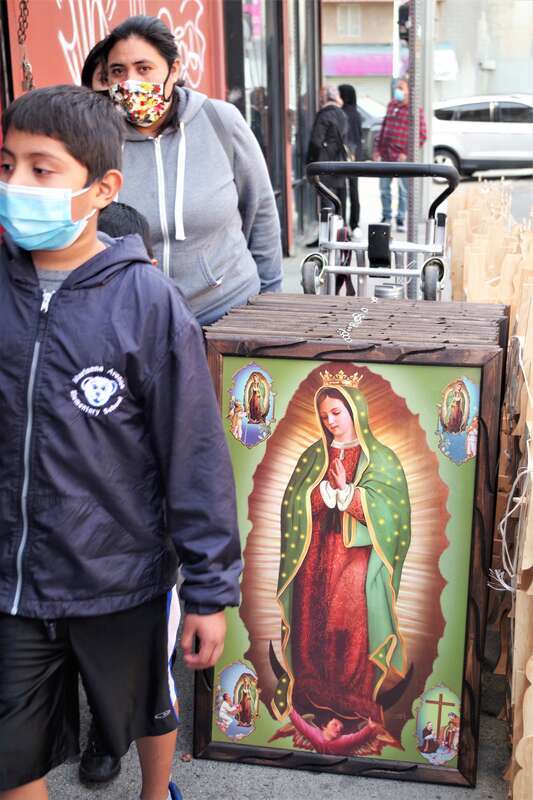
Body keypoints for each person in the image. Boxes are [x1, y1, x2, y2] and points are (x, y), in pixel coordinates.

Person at [0, 84, 241, 800]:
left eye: (42, 170)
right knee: (12, 753)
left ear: (103, 187)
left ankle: (155, 792)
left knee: (143, 708)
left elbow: (194, 455)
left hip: (120, 575)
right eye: (7, 163)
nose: (16, 184)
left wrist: (207, 591)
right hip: (13, 580)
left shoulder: (146, 303)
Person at [100, 15, 282, 325]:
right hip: (140, 321)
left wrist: (270, 302)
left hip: (227, 311)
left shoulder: (220, 120)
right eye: (119, 71)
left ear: (173, 70)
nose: (130, 82)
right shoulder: (99, 138)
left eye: (144, 68)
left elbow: (261, 210)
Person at [271, 371, 411, 726]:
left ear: (354, 411)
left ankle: (353, 700)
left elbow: (393, 515)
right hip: (314, 554)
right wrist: (323, 493)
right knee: (310, 621)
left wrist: (349, 492)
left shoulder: (380, 459)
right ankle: (310, 693)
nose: (330, 421)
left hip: (355, 558)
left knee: (346, 623)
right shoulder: (312, 455)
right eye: (323, 416)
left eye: (336, 412)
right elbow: (292, 504)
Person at [373, 77, 427, 232]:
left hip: (402, 157)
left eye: (401, 88)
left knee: (403, 190)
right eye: (397, 88)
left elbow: (422, 135)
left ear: (409, 91)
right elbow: (383, 128)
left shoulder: (415, 110)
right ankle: (386, 216)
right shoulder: (392, 105)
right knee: (384, 189)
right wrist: (377, 149)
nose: (398, 91)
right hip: (386, 155)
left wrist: (406, 152)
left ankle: (401, 219)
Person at [306, 85, 349, 246]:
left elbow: (316, 141)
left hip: (323, 163)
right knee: (337, 200)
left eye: (322, 95)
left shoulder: (324, 114)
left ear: (326, 97)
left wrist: (310, 161)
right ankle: (339, 235)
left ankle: (326, 238)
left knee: (326, 203)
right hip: (339, 162)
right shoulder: (342, 114)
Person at [338, 84, 363, 238]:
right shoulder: (357, 113)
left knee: (342, 191)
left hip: (344, 155)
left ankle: (343, 225)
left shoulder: (342, 113)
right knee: (354, 191)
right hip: (356, 156)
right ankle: (355, 224)